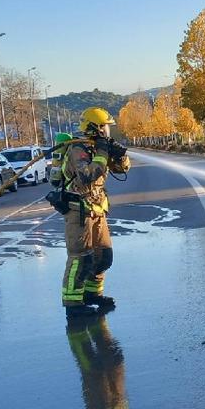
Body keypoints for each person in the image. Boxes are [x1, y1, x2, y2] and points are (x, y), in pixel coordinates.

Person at [60, 107, 130, 317]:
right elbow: (87, 175)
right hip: (78, 211)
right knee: (81, 258)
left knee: (103, 257)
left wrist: (120, 155)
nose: (108, 131)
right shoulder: (77, 150)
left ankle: (92, 294)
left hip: (98, 209)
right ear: (96, 128)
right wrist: (102, 153)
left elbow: (122, 170)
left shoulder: (98, 147)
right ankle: (73, 304)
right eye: (106, 127)